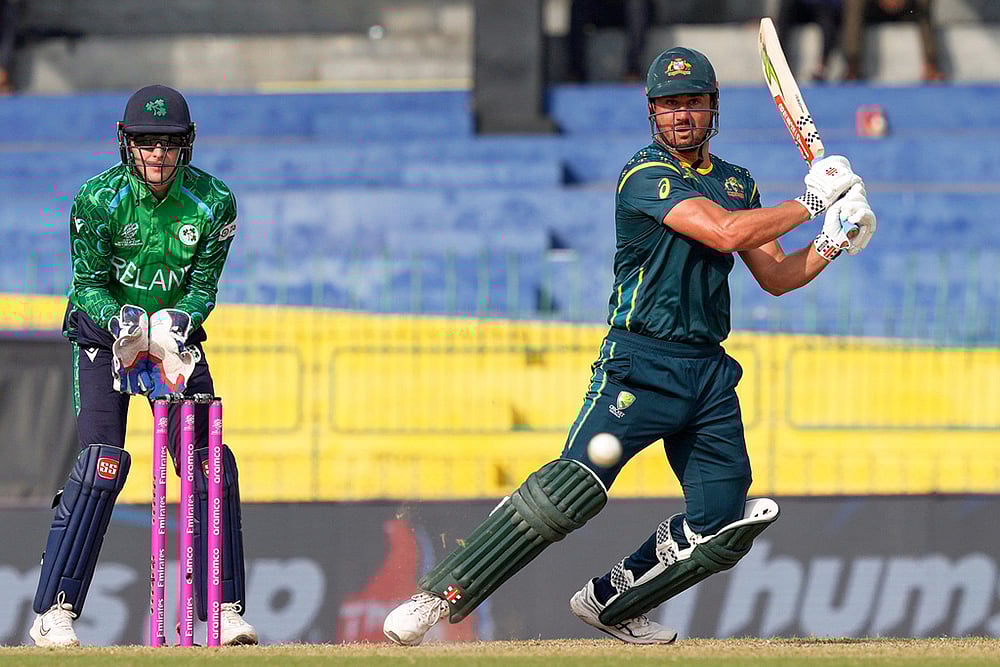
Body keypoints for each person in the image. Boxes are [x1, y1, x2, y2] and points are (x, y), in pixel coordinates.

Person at [383, 46, 876, 645]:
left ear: (713, 109)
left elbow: (774, 276)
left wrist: (835, 237)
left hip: (707, 375)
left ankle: (610, 604)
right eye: (670, 105)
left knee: (721, 524)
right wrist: (812, 202)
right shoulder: (645, 175)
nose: (682, 115)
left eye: (693, 103)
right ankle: (437, 595)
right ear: (652, 112)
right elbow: (723, 234)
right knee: (574, 489)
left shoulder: (737, 181)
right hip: (640, 365)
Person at [28, 84, 257, 647]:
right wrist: (123, 322)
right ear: (127, 144)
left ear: (187, 145)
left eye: (170, 142)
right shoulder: (98, 200)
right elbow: (87, 286)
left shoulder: (214, 202)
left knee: (208, 459)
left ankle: (224, 609)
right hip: (106, 337)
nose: (158, 153)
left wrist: (177, 322)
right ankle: (55, 611)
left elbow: (204, 287)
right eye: (147, 142)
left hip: (174, 337)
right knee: (101, 464)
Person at [842, 0, 945, 82]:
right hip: (875, 8)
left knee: (923, 3)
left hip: (907, 8)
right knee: (854, 3)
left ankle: (931, 66)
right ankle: (853, 66)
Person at [567, 0, 652, 82]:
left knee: (636, 5)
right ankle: (576, 71)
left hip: (631, 8)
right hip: (603, 7)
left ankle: (633, 70)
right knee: (579, 5)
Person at [775, 0, 844, 83]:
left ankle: (822, 67)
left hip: (823, 5)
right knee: (785, 9)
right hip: (799, 6)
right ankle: (780, 66)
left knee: (827, 18)